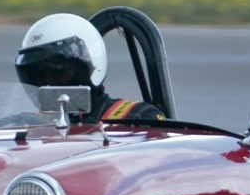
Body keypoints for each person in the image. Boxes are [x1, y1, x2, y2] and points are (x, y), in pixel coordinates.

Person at [14, 13, 165, 123]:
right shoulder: (25, 125)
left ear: (88, 66)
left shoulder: (137, 117)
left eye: (58, 71)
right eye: (39, 75)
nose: (48, 82)